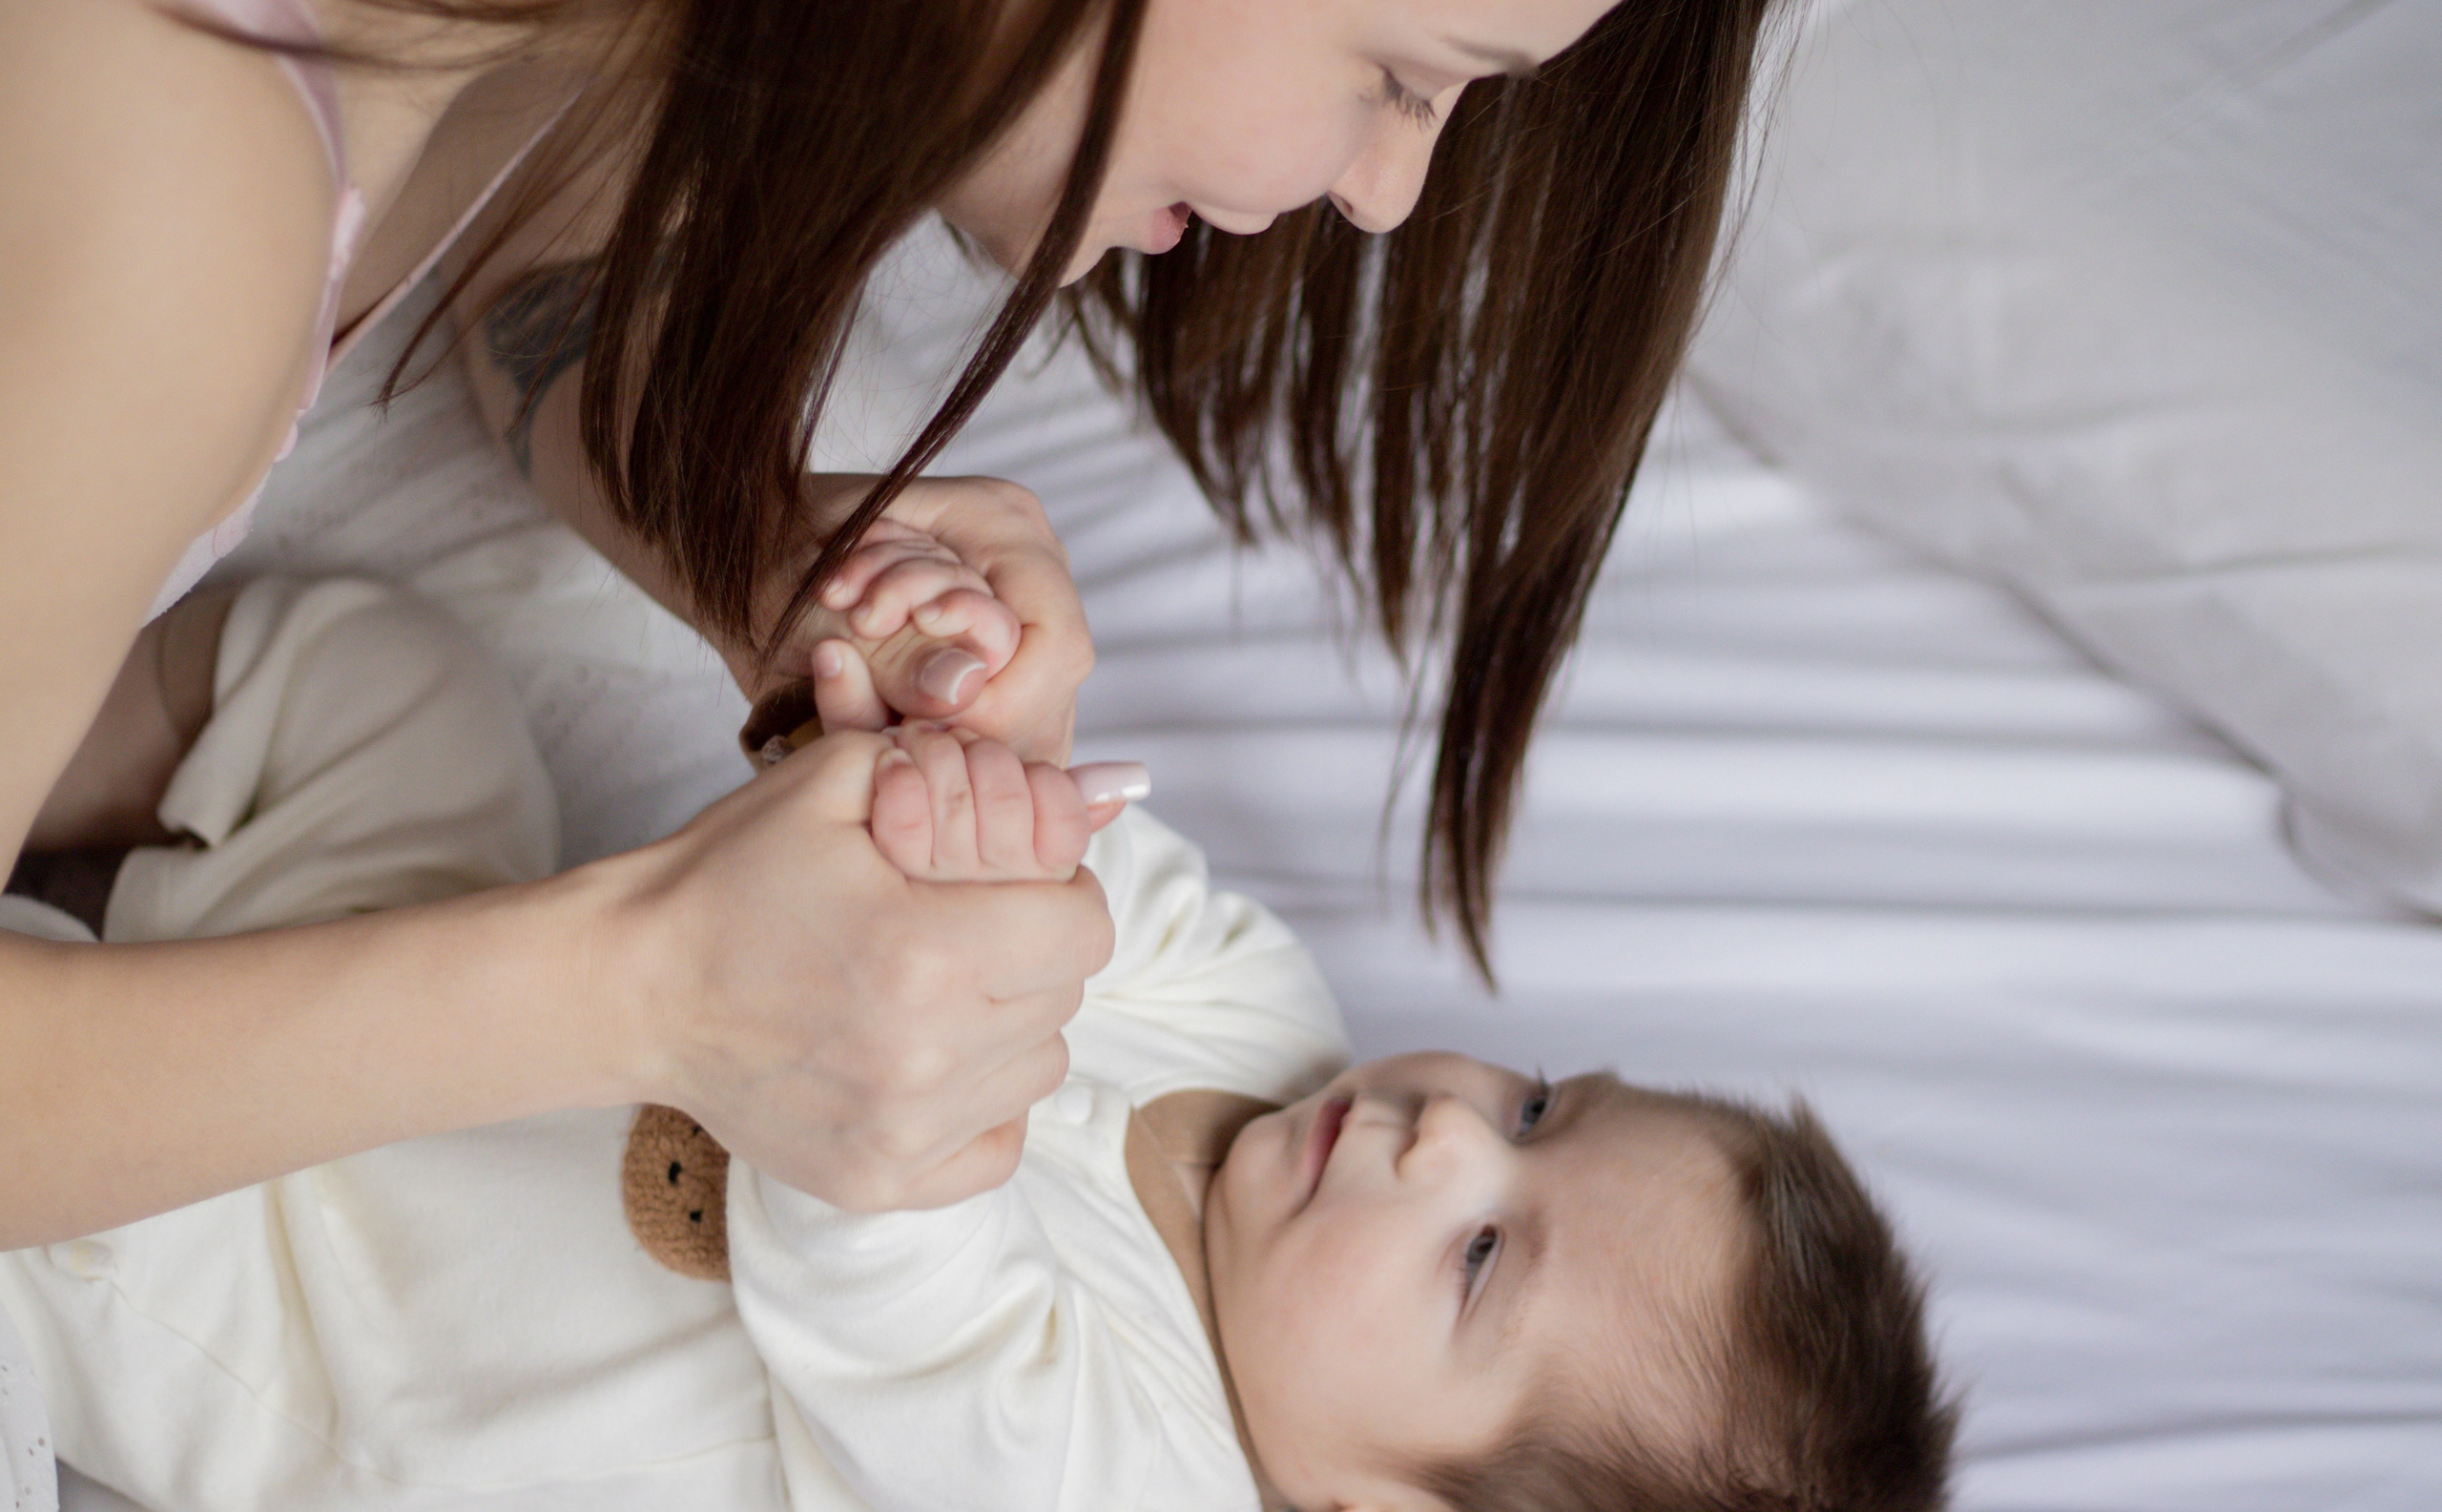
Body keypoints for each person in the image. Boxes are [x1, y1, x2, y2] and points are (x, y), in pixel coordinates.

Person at [0, 0, 1825, 1255]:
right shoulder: (169, 164)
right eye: (1407, 76)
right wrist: (653, 989)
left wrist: (765, 549)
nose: (1387, 194)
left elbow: (537, 261)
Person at [1, 562, 1952, 1512]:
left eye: (1479, 1259)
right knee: (377, 664)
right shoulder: (1270, 1028)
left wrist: (919, 913)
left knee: (57, 1243)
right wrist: (966, 751)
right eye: (1538, 1107)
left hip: (326, 1323)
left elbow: (884, 1240)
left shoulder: (1133, 1483)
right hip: (459, 971)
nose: (1446, 1134)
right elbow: (1078, 875)